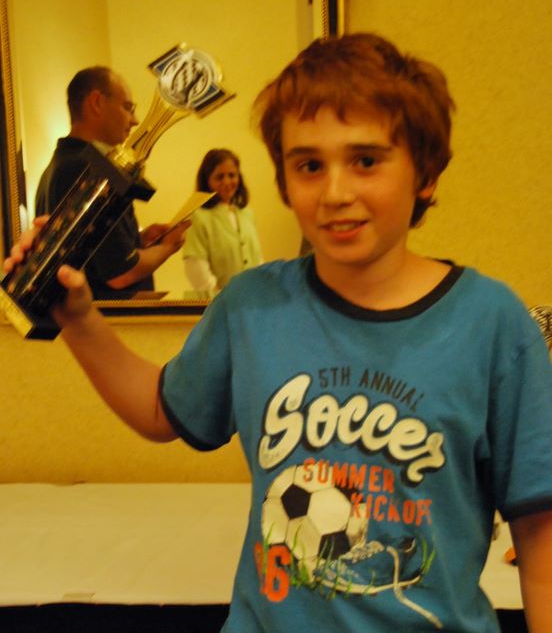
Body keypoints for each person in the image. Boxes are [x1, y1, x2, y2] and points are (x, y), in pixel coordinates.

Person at [5, 33, 552, 632]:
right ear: (286, 181)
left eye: (366, 160)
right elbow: (162, 411)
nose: (335, 193)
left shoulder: (492, 324)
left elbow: (539, 534)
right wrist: (79, 320)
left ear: (425, 172)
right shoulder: (251, 306)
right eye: (309, 165)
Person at [35, 66, 187, 299]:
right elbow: (120, 274)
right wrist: (168, 247)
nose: (135, 120)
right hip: (106, 317)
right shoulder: (87, 168)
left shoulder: (63, 162)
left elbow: (95, 256)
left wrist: (138, 240)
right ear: (96, 102)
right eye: (128, 107)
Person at [182, 148, 262, 295]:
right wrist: (222, 296)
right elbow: (195, 266)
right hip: (217, 301)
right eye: (219, 177)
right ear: (207, 180)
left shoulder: (247, 214)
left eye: (232, 175)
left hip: (252, 299)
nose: (227, 182)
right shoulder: (198, 217)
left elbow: (257, 259)